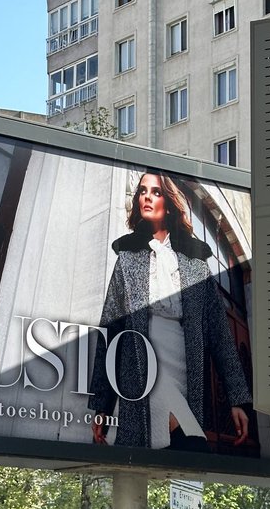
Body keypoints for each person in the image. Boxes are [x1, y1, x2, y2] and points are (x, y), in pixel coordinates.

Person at [88, 171, 252, 452]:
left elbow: (220, 337)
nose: (147, 197)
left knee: (179, 450)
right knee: (179, 441)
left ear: (170, 202)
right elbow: (109, 334)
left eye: (156, 192)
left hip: (184, 367)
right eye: (142, 191)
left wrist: (237, 399)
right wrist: (101, 405)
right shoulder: (127, 261)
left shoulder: (196, 266)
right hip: (143, 366)